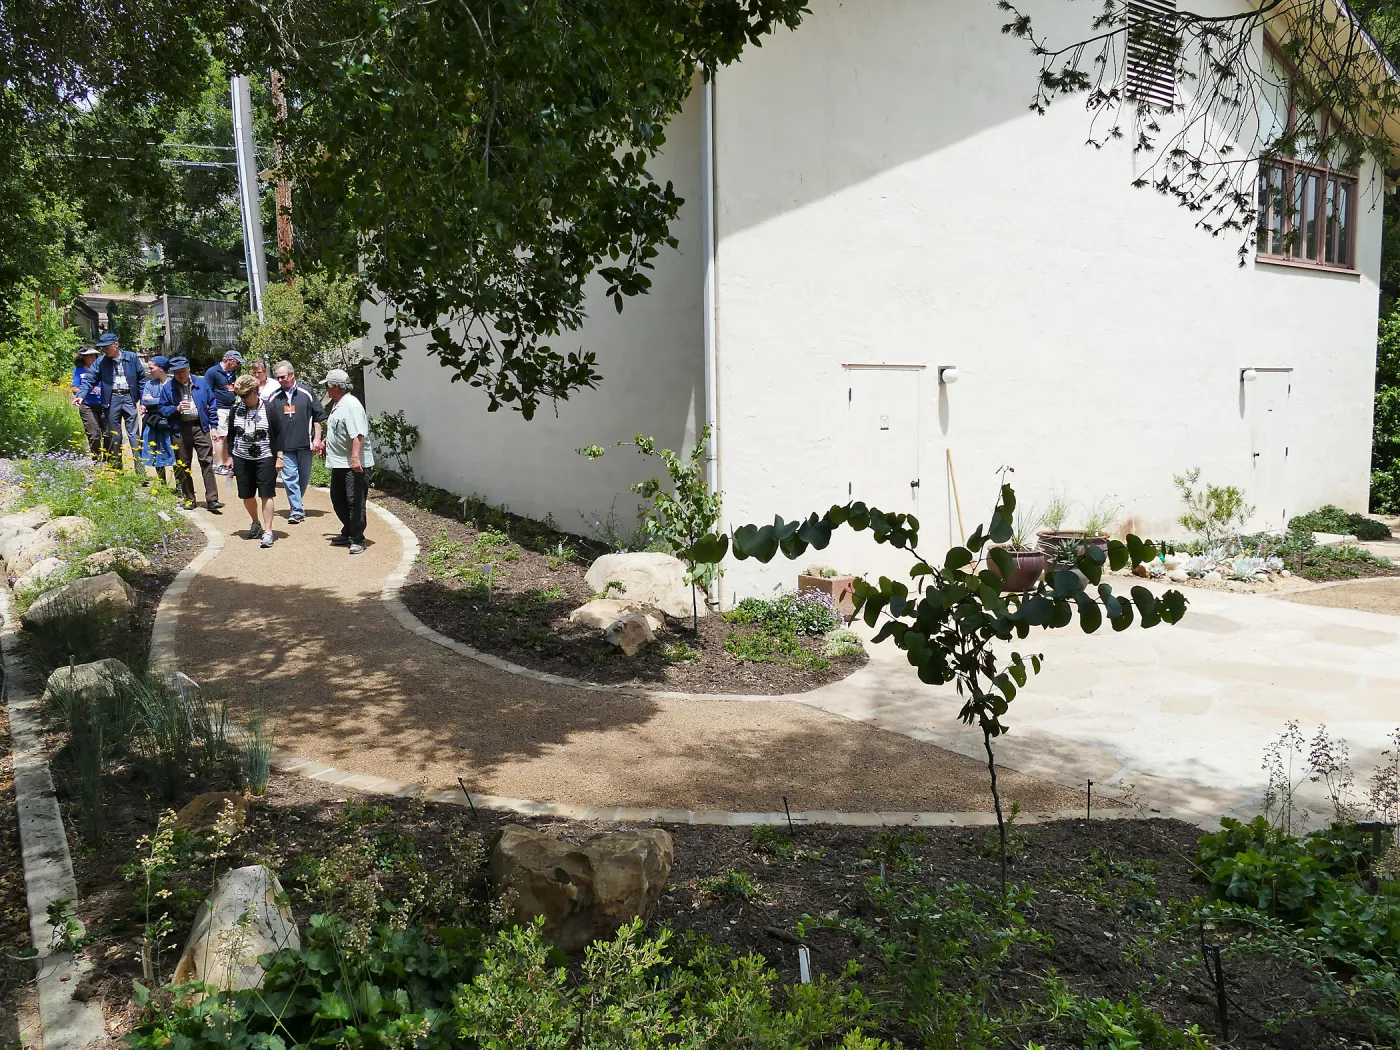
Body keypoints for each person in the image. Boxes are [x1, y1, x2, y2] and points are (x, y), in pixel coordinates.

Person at [266, 360, 325, 525]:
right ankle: (297, 511)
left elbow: (318, 417)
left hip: (305, 444)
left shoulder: (307, 392)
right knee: (290, 477)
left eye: (283, 377)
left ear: (292, 375)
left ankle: (296, 503)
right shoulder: (274, 397)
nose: (280, 380)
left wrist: (317, 439)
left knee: (303, 479)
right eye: (277, 377)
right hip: (284, 446)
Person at [228, 374, 284, 548]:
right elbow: (231, 435)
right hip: (241, 457)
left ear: (256, 391)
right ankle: (255, 523)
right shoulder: (235, 410)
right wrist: (229, 456)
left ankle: (268, 531)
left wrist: (279, 457)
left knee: (267, 494)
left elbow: (279, 434)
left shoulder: (270, 409)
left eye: (246, 395)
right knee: (246, 494)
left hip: (265, 457)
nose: (243, 399)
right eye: (240, 396)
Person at [75, 332, 143, 473]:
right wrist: (81, 395)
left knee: (134, 435)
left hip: (129, 398)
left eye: (106, 347)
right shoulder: (101, 362)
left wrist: (143, 401)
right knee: (114, 435)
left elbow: (142, 379)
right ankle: (118, 470)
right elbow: (89, 379)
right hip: (112, 399)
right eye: (102, 348)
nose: (104, 350)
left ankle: (140, 472)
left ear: (115, 345)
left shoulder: (131, 357)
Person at [323, 368, 373, 554]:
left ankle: (358, 538)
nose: (326, 389)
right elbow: (340, 429)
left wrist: (354, 458)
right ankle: (348, 530)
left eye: (328, 385)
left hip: (354, 465)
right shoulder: (339, 404)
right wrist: (326, 440)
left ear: (336, 386)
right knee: (338, 499)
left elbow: (358, 435)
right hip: (339, 463)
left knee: (355, 501)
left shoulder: (352, 405)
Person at [165, 357, 221, 512]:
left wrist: (214, 427)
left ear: (188, 369)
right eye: (176, 373)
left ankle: (212, 499)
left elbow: (212, 405)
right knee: (183, 465)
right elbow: (162, 409)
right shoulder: (168, 387)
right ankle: (190, 498)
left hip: (200, 427)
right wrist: (176, 409)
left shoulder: (201, 384)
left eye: (182, 371)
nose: (180, 375)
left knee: (207, 462)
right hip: (179, 429)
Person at [138, 356, 177, 483]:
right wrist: (163, 401)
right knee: (155, 451)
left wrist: (155, 400)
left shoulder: (173, 384)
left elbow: (176, 401)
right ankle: (162, 482)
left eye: (151, 368)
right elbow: (145, 400)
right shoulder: (150, 384)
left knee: (174, 452)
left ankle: (180, 484)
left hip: (171, 422)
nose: (149, 371)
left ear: (161, 368)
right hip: (153, 422)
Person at [205, 349, 243, 476]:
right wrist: (209, 409)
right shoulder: (212, 372)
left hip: (231, 408)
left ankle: (227, 463)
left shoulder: (232, 373)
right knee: (220, 436)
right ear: (229, 360)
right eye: (237, 362)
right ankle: (218, 464)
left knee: (228, 436)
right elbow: (207, 391)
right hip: (219, 408)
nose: (238, 365)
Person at [70, 347, 104, 460]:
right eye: (90, 356)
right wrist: (89, 389)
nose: (93, 358)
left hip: (104, 404)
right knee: (94, 434)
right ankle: (96, 458)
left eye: (94, 355)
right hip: (87, 405)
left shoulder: (103, 369)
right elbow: (74, 388)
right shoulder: (79, 370)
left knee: (109, 434)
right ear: (84, 357)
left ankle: (110, 458)